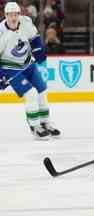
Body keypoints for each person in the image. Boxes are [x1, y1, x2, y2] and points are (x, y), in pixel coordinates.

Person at [0, 2, 60, 140]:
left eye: (16, 14)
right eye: (10, 15)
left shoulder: (26, 22)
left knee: (42, 91)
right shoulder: (0, 32)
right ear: (5, 15)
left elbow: (35, 39)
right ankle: (35, 127)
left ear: (19, 14)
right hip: (10, 68)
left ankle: (45, 123)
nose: (13, 18)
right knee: (31, 93)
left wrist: (38, 52)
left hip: (28, 63)